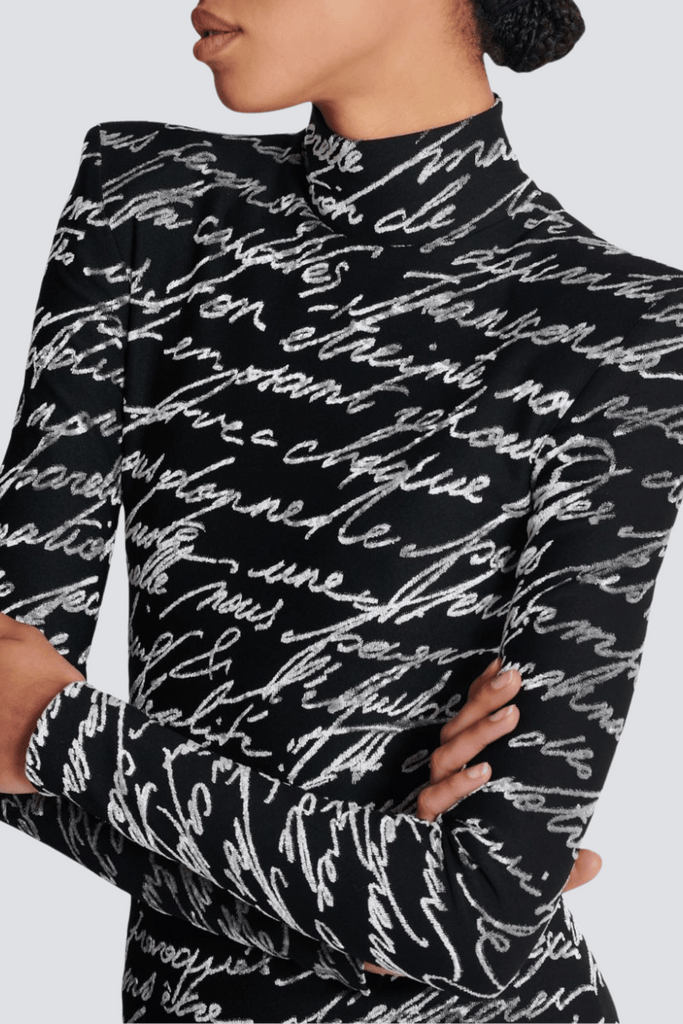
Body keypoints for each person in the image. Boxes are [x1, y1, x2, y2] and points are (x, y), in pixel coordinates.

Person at [0, 0, 680, 1020]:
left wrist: (67, 736)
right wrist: (373, 905)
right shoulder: (146, 200)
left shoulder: (627, 331)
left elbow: (480, 919)